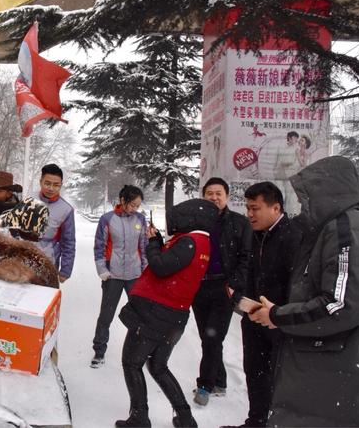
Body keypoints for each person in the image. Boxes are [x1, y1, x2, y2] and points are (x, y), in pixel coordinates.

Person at [249, 156, 359, 428]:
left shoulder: (344, 228)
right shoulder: (330, 228)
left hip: (330, 368)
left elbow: (339, 305)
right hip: (323, 367)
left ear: (327, 192)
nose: (302, 206)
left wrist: (277, 315)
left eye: (306, 197)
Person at [116, 199, 218, 428]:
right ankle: (184, 417)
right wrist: (161, 242)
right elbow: (174, 265)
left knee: (131, 363)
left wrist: (153, 243)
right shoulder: (202, 242)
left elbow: (161, 267)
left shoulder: (190, 241)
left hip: (155, 313)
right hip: (174, 314)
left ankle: (139, 417)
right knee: (158, 365)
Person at [220, 182, 300, 428]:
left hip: (280, 322)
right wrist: (239, 294)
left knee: (280, 379)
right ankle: (255, 422)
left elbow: (297, 284)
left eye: (255, 208)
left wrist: (280, 314)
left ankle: (276, 423)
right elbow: (248, 270)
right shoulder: (254, 234)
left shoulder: (294, 236)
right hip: (253, 317)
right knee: (254, 373)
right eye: (247, 208)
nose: (249, 214)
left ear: (276, 208)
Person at [192, 178, 252, 406]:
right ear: (204, 196)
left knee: (212, 338)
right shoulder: (196, 223)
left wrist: (234, 284)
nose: (214, 197)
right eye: (209, 193)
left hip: (223, 289)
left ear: (226, 196)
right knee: (207, 339)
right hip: (199, 288)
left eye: (218, 193)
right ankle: (220, 382)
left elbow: (247, 258)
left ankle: (205, 385)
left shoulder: (239, 223)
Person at [91, 185, 148, 368]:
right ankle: (99, 352)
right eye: (132, 204)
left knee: (140, 315)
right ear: (122, 200)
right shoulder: (107, 219)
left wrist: (146, 270)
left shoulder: (140, 219)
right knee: (106, 315)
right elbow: (99, 246)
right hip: (112, 275)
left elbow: (144, 246)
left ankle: (139, 353)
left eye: (138, 206)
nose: (135, 209)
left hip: (135, 275)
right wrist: (102, 270)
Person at [37, 164, 76, 283]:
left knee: (44, 298)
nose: (51, 188)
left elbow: (69, 242)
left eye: (56, 185)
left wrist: (65, 270)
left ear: (61, 185)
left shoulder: (66, 209)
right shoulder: (28, 199)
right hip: (22, 258)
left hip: (48, 262)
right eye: (47, 183)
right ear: (40, 182)